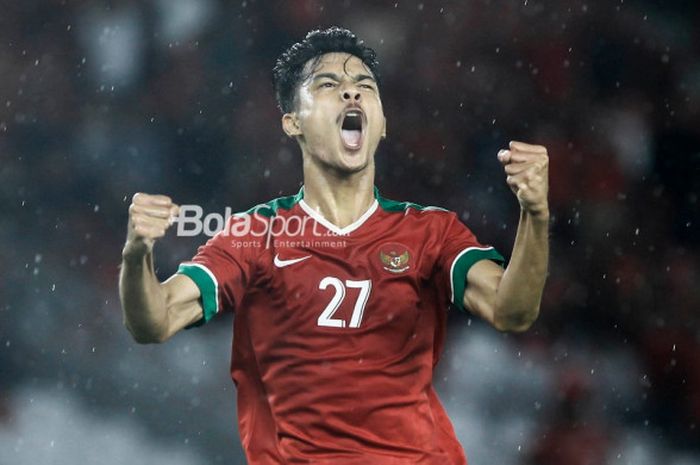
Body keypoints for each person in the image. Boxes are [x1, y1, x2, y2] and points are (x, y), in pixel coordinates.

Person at [119, 27, 549, 465]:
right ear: (293, 122)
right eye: (329, 85)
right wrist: (137, 256)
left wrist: (535, 215)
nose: (352, 95)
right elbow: (154, 322)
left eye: (365, 87)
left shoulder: (432, 232)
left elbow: (512, 310)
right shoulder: (253, 236)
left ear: (382, 123)